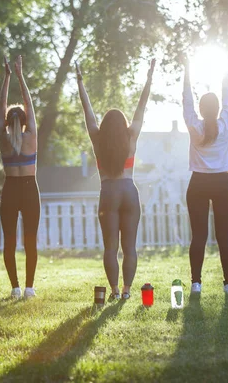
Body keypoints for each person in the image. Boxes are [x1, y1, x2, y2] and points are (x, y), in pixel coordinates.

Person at [75, 59, 155, 300]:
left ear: (105, 126)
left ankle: (114, 291)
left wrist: (80, 82)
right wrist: (149, 79)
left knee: (110, 248)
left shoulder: (97, 139)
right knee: (129, 247)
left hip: (108, 192)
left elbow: (87, 111)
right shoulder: (131, 137)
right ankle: (128, 291)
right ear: (123, 125)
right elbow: (141, 108)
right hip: (130, 191)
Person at [182, 58, 228, 295]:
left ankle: (196, 283)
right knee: (224, 237)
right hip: (223, 183)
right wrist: (225, 71)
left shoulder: (194, 124)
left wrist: (187, 71)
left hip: (199, 184)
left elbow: (186, 101)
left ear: (201, 111)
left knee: (199, 236)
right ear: (217, 110)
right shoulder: (225, 123)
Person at [0, 55, 40, 300]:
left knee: (10, 241)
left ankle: (15, 288)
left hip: (10, 190)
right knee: (30, 240)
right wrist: (20, 76)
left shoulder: (3, 138)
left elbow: (1, 107)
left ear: (6, 121)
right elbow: (29, 104)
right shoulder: (31, 135)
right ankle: (29, 289)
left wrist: (7, 78)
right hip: (29, 189)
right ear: (25, 121)